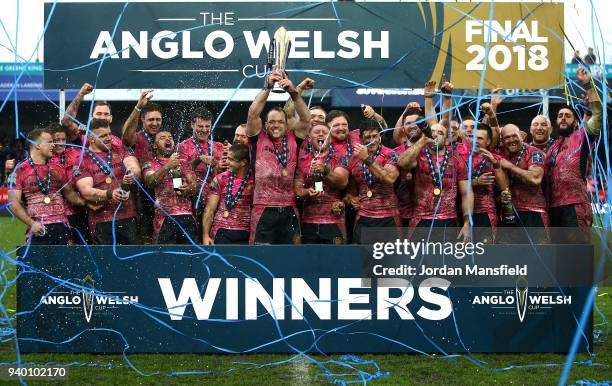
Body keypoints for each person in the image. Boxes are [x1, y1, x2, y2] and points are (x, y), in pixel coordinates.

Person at [245, 70, 310, 244]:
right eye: (272, 122)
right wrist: (268, 87)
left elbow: (306, 119)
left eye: (280, 122)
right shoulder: (257, 137)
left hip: (289, 209)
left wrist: (293, 93)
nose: (276, 125)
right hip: (262, 209)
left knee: (290, 261)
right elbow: (253, 114)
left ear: (287, 124)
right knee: (261, 259)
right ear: (265, 124)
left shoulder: (293, 137)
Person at [546, 66, 603, 242]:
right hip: (553, 206)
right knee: (558, 254)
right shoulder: (552, 146)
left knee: (577, 252)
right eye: (560, 115)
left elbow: (598, 114)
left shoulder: (582, 135)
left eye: (567, 116)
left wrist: (587, 84)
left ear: (576, 121)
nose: (563, 118)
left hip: (575, 204)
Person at [397, 123, 472, 242]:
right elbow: (402, 163)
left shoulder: (456, 159)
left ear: (447, 140)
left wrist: (467, 223)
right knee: (416, 259)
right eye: (432, 132)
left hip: (448, 220)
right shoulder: (419, 154)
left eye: (440, 133)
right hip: (420, 219)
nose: (435, 135)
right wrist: (422, 141)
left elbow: (466, 193)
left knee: (445, 260)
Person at [9, 128, 85, 244]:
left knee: (66, 262)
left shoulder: (57, 168)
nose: (53, 145)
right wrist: (32, 223)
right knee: (39, 262)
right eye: (49, 142)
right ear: (37, 145)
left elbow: (69, 194)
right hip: (38, 226)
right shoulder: (20, 170)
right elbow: (12, 202)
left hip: (62, 226)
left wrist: (89, 202)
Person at [75, 119, 141, 245]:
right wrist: (110, 194)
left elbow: (134, 166)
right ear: (91, 139)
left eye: (109, 134)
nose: (109, 138)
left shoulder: (119, 148)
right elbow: (86, 191)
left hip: (128, 217)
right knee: (105, 262)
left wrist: (132, 174)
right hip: (101, 221)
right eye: (103, 136)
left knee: (133, 261)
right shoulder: (82, 160)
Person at [295, 122, 350, 244]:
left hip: (334, 220)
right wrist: (307, 192)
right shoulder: (303, 160)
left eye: (325, 132)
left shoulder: (341, 157)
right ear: (309, 138)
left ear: (329, 138)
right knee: (309, 261)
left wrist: (325, 170)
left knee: (337, 260)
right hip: (309, 222)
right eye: (316, 132)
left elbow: (342, 183)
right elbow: (297, 191)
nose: (321, 134)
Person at [346, 119, 400, 244]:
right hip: (363, 216)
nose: (372, 140)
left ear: (380, 135)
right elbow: (351, 185)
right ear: (361, 139)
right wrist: (351, 196)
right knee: (361, 258)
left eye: (375, 136)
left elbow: (389, 179)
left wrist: (366, 158)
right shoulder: (354, 159)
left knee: (390, 260)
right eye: (367, 137)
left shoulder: (391, 154)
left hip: (388, 216)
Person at [143, 131, 198, 244]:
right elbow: (150, 181)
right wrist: (168, 165)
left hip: (187, 216)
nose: (168, 139)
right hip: (164, 217)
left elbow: (195, 186)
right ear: (154, 145)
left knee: (191, 256)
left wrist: (187, 189)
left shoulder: (183, 163)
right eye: (162, 138)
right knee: (165, 256)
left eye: (170, 137)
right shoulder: (149, 164)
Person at [498, 124, 548, 243]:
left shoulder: (534, 153)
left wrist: (510, 167)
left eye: (514, 136)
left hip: (533, 213)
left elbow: (535, 178)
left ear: (521, 136)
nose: (511, 140)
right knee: (513, 258)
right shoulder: (503, 156)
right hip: (510, 213)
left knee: (539, 257)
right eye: (507, 137)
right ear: (502, 141)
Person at [121, 90, 160, 243]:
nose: (155, 123)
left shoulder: (164, 137)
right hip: (140, 195)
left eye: (158, 119)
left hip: (160, 194)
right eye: (151, 119)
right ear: (142, 120)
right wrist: (137, 108)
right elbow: (125, 136)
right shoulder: (137, 137)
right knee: (143, 238)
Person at [462, 124, 509, 243]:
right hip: (463, 212)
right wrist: (476, 182)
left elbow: (505, 188)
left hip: (486, 212)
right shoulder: (461, 157)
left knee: (485, 252)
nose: (475, 141)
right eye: (473, 137)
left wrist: (496, 165)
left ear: (488, 141)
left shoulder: (496, 158)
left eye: (480, 138)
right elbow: (454, 185)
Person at [202, 144, 254, 245]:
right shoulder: (219, 179)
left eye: (231, 159)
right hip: (221, 231)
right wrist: (205, 235)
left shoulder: (254, 180)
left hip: (246, 233)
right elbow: (209, 210)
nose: (227, 162)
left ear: (243, 162)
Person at [49, 123, 89, 243]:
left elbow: (93, 151)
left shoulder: (76, 153)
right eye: (57, 140)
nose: (61, 143)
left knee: (83, 248)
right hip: (55, 214)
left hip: (79, 212)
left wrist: (84, 135)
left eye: (63, 139)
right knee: (62, 251)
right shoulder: (45, 159)